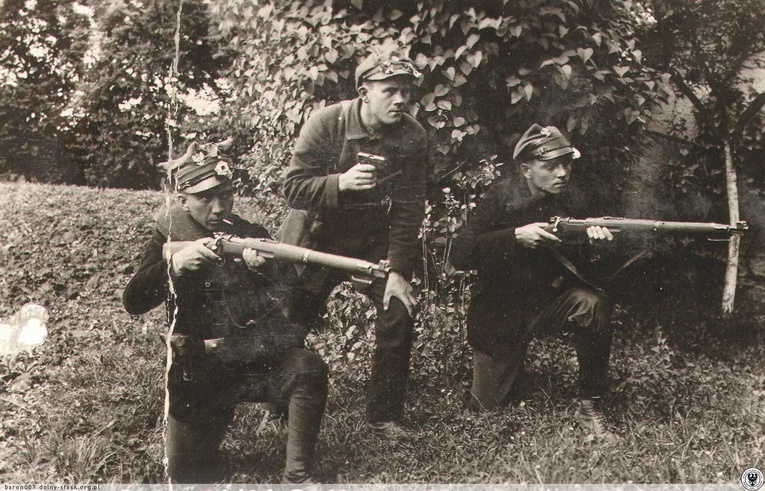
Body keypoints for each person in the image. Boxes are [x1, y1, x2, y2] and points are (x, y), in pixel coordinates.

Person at [122, 140, 328, 484]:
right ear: (183, 199)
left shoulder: (251, 234)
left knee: (307, 367)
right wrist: (175, 264)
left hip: (253, 358)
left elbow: (295, 306)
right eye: (205, 198)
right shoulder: (170, 235)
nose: (219, 207)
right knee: (188, 474)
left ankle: (297, 475)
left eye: (226, 196)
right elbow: (134, 300)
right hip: (200, 366)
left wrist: (264, 270)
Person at [280, 46, 427, 436]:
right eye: (389, 90)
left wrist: (397, 270)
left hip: (372, 240)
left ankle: (384, 415)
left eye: (405, 91)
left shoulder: (413, 136)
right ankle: (279, 403)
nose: (400, 100)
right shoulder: (327, 123)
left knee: (398, 308)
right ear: (364, 92)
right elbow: (292, 189)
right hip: (317, 235)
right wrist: (338, 183)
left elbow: (410, 208)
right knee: (291, 316)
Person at [450, 124, 617, 439]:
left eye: (566, 163)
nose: (562, 173)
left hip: (553, 300)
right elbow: (460, 253)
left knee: (594, 305)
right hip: (502, 311)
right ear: (526, 170)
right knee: (485, 412)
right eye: (550, 166)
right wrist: (515, 236)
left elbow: (587, 269)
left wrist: (597, 248)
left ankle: (589, 405)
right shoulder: (501, 197)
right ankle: (512, 372)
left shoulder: (575, 200)